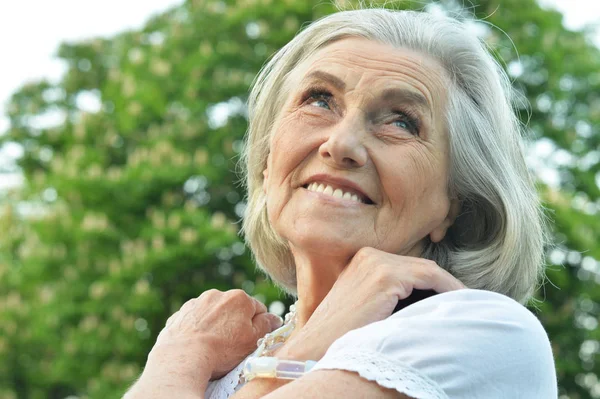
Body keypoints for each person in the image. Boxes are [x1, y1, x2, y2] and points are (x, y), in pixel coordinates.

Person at [124, 7, 557, 399]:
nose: (341, 143)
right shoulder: (221, 358)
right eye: (319, 99)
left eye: (401, 122)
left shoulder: (477, 331)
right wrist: (187, 351)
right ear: (267, 158)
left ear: (454, 203)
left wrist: (177, 361)